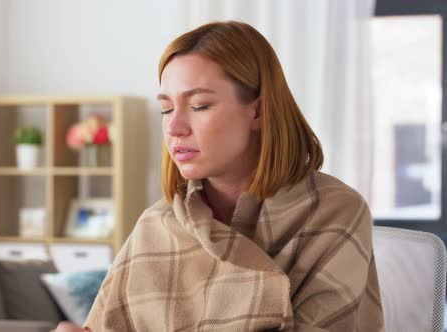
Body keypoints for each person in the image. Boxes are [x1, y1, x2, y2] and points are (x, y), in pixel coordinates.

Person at [54, 20, 384, 332]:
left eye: (199, 105)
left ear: (257, 110)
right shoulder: (156, 225)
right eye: (167, 108)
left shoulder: (335, 211)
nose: (174, 127)